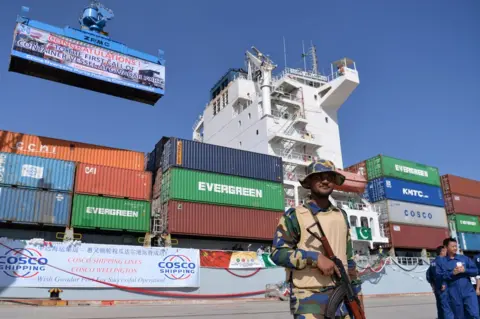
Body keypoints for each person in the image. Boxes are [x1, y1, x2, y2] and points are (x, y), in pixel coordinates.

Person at [270, 159, 363, 319]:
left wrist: (358, 296)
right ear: (310, 182)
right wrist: (314, 258)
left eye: (329, 177)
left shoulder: (341, 215)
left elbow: (349, 259)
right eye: (319, 177)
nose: (325, 181)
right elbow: (277, 253)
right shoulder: (295, 216)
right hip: (309, 299)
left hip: (344, 297)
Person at [437, 237, 479, 319]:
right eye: (452, 246)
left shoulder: (464, 258)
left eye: (456, 246)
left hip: (468, 292)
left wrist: (465, 270)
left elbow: (476, 271)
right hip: (453, 293)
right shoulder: (442, 262)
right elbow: (440, 276)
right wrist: (452, 273)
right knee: (459, 316)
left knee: (475, 314)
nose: (455, 248)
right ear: (446, 247)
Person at [426, 245, 449, 319]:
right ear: (442, 252)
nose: (446, 252)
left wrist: (433, 285)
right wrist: (442, 283)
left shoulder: (433, 262)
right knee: (446, 306)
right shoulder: (442, 260)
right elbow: (440, 274)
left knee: (439, 305)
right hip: (443, 286)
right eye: (445, 251)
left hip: (436, 287)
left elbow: (428, 275)